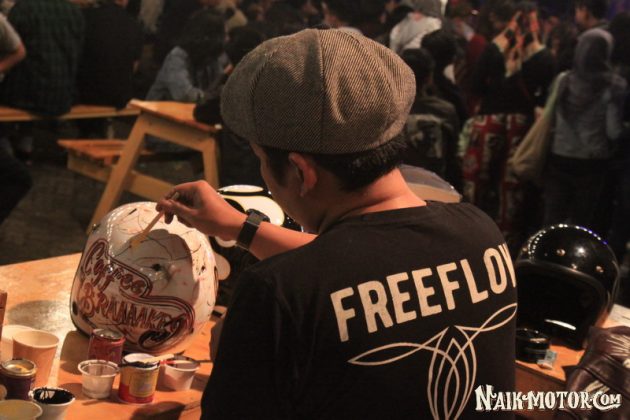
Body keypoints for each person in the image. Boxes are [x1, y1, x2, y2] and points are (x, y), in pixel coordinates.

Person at [158, 28, 517, 419]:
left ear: (301, 172)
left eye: (261, 160)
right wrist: (240, 227)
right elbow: (358, 267)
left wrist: (240, 352)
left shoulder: (276, 294)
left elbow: (331, 278)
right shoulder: (482, 234)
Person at [543, 29, 627, 232]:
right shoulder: (614, 85)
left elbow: (548, 117)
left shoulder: (563, 79)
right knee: (581, 223)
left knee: (552, 218)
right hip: (592, 161)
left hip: (559, 154)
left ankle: (545, 251)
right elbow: (613, 131)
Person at [0, 0, 84, 116]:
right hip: (64, 97)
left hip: (24, 96)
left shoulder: (23, 9)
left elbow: (7, 47)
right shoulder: (75, 11)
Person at [401, 48, 461, 189]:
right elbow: (452, 155)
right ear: (429, 77)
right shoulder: (445, 110)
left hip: (400, 185)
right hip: (436, 184)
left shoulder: (391, 109)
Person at [146, 10, 226, 103]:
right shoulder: (177, 57)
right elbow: (185, 95)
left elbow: (219, 85)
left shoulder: (211, 58)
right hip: (156, 111)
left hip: (188, 110)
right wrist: (213, 96)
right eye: (223, 35)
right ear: (208, 37)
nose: (226, 39)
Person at [76, 0, 143, 109]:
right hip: (119, 99)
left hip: (84, 95)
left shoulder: (85, 17)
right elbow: (133, 67)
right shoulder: (135, 25)